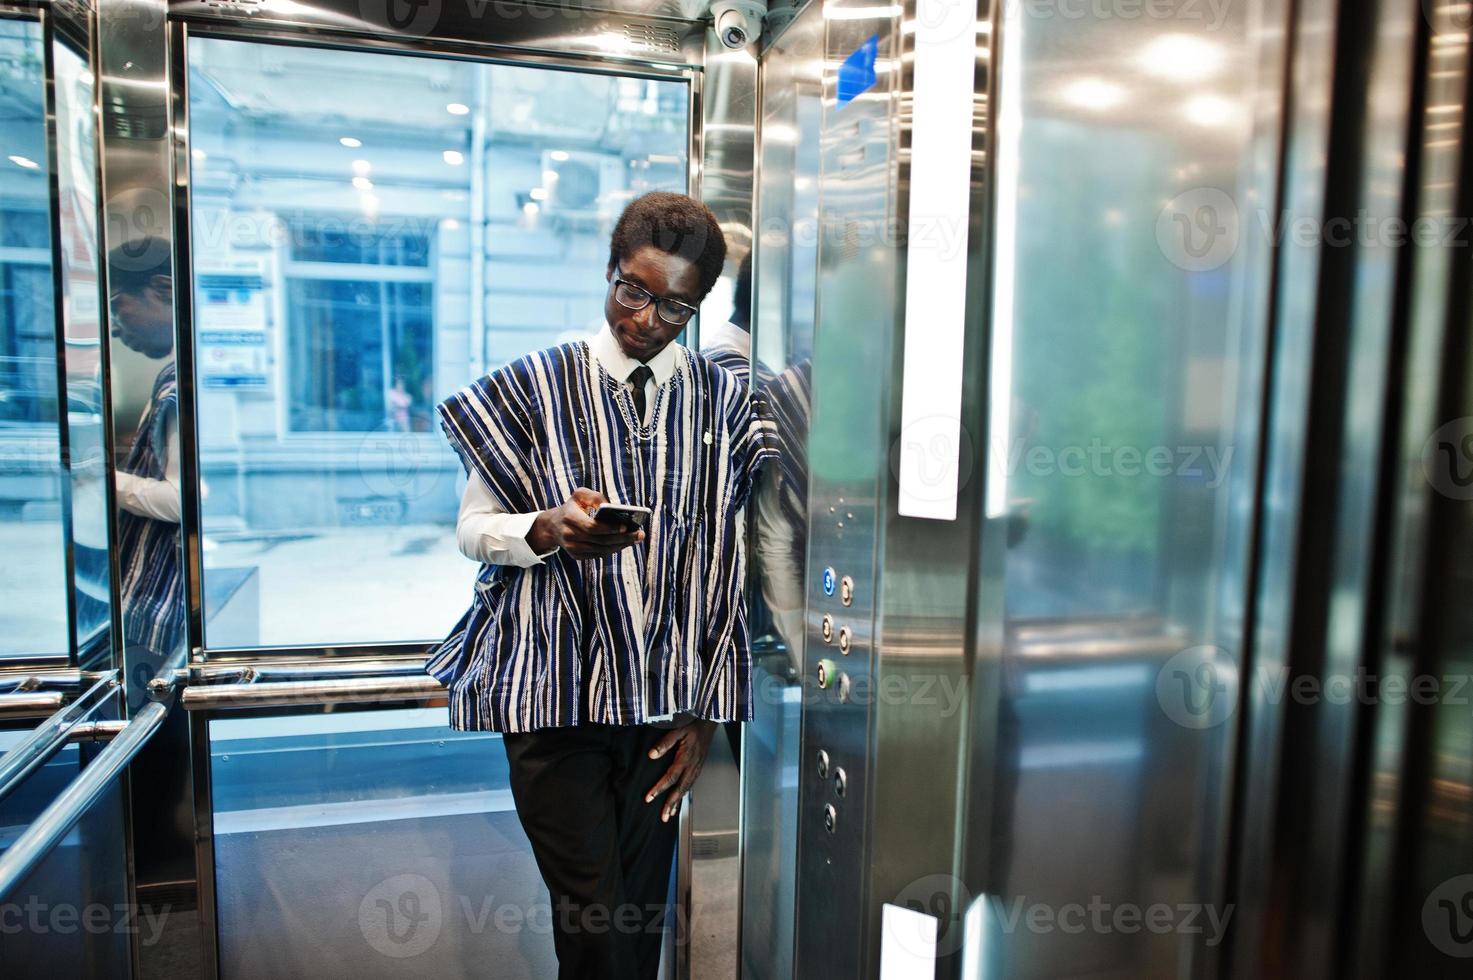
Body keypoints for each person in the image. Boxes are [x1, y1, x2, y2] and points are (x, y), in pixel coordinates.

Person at [426, 192, 773, 980]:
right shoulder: (531, 389)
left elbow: (728, 567)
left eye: (675, 306)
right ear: (611, 271)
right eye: (633, 290)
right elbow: (473, 529)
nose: (646, 319)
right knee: (591, 920)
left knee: (638, 917)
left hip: (661, 712)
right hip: (556, 704)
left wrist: (705, 715)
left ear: (699, 306)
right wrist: (546, 530)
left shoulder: (727, 403)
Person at [108, 237, 185, 663]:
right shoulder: (180, 377)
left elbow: (180, 501)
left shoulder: (178, 383)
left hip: (160, 605)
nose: (117, 327)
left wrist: (102, 482)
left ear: (163, 289)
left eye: (119, 305)